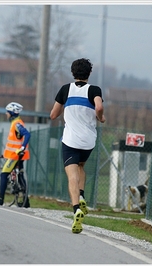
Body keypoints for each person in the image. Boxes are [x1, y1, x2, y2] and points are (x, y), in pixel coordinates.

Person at [50, 58, 105, 234]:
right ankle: (81, 195)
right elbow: (98, 106)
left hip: (70, 140)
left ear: (73, 73)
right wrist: (101, 117)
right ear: (89, 73)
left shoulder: (66, 89)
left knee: (72, 175)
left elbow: (53, 115)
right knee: (81, 165)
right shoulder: (94, 90)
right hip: (88, 141)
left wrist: (66, 110)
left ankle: (76, 209)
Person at [0, 102, 31, 208]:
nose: (6, 114)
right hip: (18, 154)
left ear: (12, 112)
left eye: (7, 112)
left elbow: (27, 134)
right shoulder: (17, 122)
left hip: (15, 155)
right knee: (20, 176)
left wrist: (21, 148)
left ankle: (0, 199)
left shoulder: (16, 124)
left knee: (3, 174)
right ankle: (26, 201)